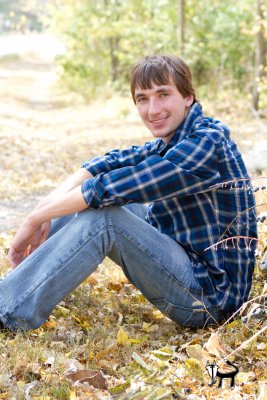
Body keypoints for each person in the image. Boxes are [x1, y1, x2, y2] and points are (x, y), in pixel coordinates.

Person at [0, 55, 257, 332]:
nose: (152, 109)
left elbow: (110, 188)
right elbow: (110, 162)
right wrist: (45, 205)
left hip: (210, 298)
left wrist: (35, 218)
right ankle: (27, 280)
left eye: (163, 94)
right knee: (75, 202)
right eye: (142, 99)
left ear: (188, 97)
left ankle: (7, 309)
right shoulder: (179, 136)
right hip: (186, 259)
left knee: (105, 218)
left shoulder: (206, 143)